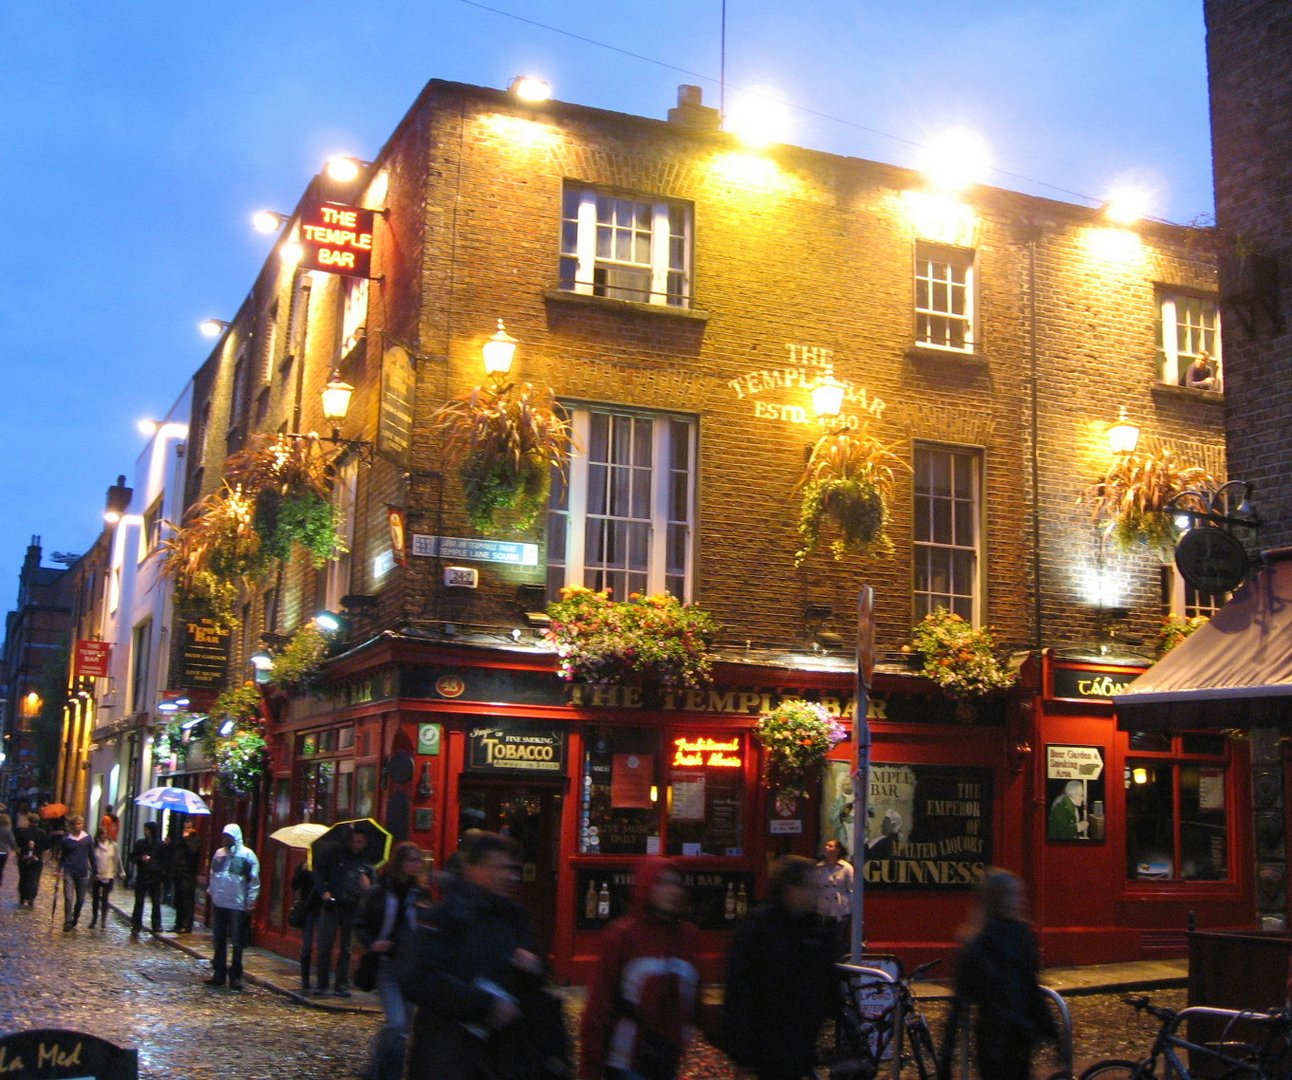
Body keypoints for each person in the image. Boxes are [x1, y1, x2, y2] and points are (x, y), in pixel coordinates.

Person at [402, 830, 566, 1080]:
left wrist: (535, 966)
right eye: (496, 868)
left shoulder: (516, 916)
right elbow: (418, 978)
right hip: (450, 1054)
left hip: (506, 1055)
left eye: (510, 869)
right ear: (471, 869)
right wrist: (484, 1005)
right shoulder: (444, 917)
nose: (507, 876)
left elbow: (541, 978)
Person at [580, 857, 701, 1080]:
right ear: (646, 886)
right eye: (662, 883)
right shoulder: (622, 936)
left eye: (677, 884)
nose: (672, 891)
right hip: (627, 1060)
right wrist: (591, 1068)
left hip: (668, 1058)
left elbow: (694, 1001)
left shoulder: (688, 937)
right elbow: (599, 1005)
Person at [719, 856, 836, 1080]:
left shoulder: (815, 930)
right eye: (811, 887)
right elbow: (740, 991)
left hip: (798, 1047)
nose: (816, 894)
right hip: (763, 1048)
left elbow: (824, 985)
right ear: (790, 889)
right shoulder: (759, 928)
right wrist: (743, 1056)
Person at [939, 869, 1055, 1080]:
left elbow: (1030, 988)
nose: (1020, 900)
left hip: (1008, 1040)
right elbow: (959, 1003)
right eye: (1015, 895)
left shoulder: (1011, 936)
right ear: (1002, 899)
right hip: (1004, 1040)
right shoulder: (993, 940)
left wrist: (1052, 1033)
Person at [357, 842, 428, 1080]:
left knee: (402, 1028)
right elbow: (361, 923)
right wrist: (373, 943)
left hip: (410, 967)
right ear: (400, 862)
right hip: (386, 964)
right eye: (412, 860)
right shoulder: (382, 891)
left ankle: (378, 1070)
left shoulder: (421, 894)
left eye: (419, 860)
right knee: (397, 1023)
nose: (416, 865)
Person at [313, 824, 374, 997]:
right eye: (354, 841)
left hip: (352, 907)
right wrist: (324, 892)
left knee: (346, 948)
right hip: (332, 905)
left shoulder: (366, 861)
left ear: (365, 842)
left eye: (360, 841)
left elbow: (373, 887)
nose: (357, 844)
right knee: (325, 946)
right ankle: (322, 984)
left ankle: (341, 985)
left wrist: (367, 885)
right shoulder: (334, 854)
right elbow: (318, 874)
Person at [205, 823, 260, 991]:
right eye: (223, 836)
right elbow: (214, 875)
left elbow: (254, 880)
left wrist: (250, 900)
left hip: (237, 904)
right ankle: (219, 973)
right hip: (220, 902)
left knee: (237, 941)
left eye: (228, 836)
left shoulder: (247, 856)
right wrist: (212, 891)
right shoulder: (219, 854)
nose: (225, 839)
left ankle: (235, 975)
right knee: (219, 940)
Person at [816, 838, 854, 960]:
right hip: (823, 909)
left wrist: (854, 911)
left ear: (837, 850)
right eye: (826, 846)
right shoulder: (819, 867)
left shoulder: (846, 868)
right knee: (823, 940)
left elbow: (852, 890)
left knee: (839, 940)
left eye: (830, 846)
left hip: (841, 909)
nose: (827, 848)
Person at [290, 859, 323, 993]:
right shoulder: (304, 869)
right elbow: (294, 885)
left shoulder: (324, 866)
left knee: (322, 946)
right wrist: (303, 871)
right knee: (306, 946)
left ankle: (321, 981)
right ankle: (305, 979)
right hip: (307, 911)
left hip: (322, 910)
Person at [59, 814, 94, 931]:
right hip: (69, 871)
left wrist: (96, 871)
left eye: (80, 824)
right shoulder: (66, 840)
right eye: (77, 824)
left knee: (80, 899)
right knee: (68, 897)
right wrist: (59, 870)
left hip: (82, 872)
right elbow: (62, 857)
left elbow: (92, 856)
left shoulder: (87, 839)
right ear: (73, 826)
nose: (79, 826)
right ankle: (68, 921)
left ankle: (75, 916)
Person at [130, 820, 165, 936]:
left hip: (154, 877)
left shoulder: (160, 845)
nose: (145, 832)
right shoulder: (140, 843)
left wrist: (156, 867)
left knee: (155, 902)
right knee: (139, 902)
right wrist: (141, 858)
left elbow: (164, 860)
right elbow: (133, 857)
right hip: (142, 876)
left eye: (147, 830)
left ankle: (156, 924)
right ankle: (136, 925)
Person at [170, 819, 202, 933]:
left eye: (188, 828)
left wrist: (185, 840)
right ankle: (178, 923)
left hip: (188, 875)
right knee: (178, 900)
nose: (186, 830)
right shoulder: (181, 840)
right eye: (185, 828)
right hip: (179, 874)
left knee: (187, 901)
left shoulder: (195, 840)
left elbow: (193, 852)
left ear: (193, 829)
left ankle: (186, 925)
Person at [14, 814, 48, 908]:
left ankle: (22, 896)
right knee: (34, 879)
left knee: (23, 878)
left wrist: (19, 855)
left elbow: (17, 845)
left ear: (29, 821)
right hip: (37, 859)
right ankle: (31, 898)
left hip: (24, 859)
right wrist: (43, 859)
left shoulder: (23, 832)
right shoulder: (42, 833)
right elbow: (46, 848)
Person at [90, 826, 119, 928]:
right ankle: (94, 919)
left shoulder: (113, 845)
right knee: (95, 898)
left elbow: (116, 859)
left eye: (105, 833)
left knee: (105, 898)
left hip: (108, 874)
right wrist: (92, 872)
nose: (104, 836)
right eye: (102, 834)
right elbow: (91, 860)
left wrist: (117, 872)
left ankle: (103, 920)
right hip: (97, 874)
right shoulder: (94, 846)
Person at [0, 812, 15, 887]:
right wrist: (14, 848)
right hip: (3, 851)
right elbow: (12, 841)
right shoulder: (8, 830)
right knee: (1, 867)